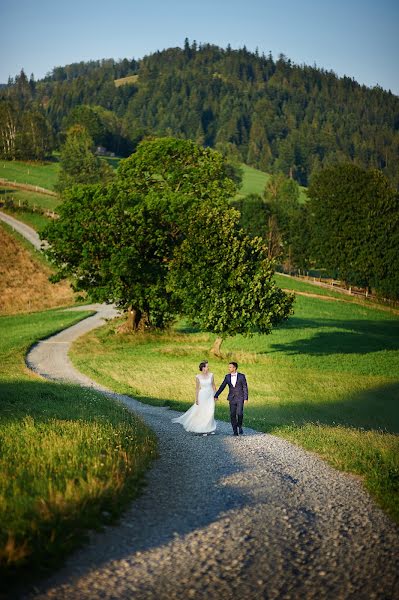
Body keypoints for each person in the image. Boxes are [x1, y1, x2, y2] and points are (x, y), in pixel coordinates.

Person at [172, 361, 217, 435]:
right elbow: (197, 388)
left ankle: (209, 428)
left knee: (210, 411)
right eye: (207, 366)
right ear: (203, 368)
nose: (208, 368)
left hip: (210, 395)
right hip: (202, 395)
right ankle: (202, 427)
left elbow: (213, 385)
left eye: (208, 366)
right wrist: (196, 398)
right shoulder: (198, 376)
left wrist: (216, 395)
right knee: (202, 411)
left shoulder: (211, 375)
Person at [214, 362, 248, 436]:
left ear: (234, 368)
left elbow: (245, 387)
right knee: (232, 414)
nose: (228, 368)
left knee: (239, 413)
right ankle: (235, 431)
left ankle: (240, 425)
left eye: (230, 367)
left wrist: (246, 398)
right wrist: (216, 395)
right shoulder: (227, 377)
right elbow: (222, 386)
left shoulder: (242, 376)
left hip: (240, 398)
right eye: (228, 367)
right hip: (231, 398)